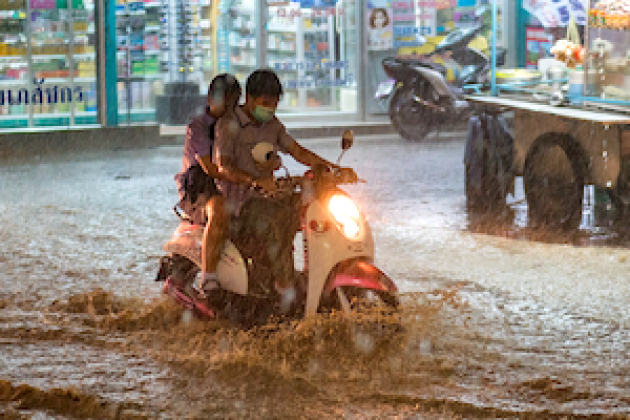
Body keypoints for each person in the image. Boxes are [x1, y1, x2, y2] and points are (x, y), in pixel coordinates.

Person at [212, 68, 355, 304]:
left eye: (274, 104)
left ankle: (316, 274)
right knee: (277, 221)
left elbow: (297, 151)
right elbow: (223, 167)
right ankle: (284, 287)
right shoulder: (228, 125)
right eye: (265, 103)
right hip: (240, 205)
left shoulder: (273, 125)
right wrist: (254, 180)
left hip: (269, 197)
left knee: (313, 208)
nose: (270, 109)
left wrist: (333, 169)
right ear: (249, 98)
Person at [174, 73, 241, 294]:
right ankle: (208, 277)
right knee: (219, 210)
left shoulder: (239, 126)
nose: (229, 107)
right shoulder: (199, 127)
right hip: (199, 189)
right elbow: (211, 169)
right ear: (211, 97)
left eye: (233, 102)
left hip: (229, 186)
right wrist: (248, 178)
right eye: (225, 100)